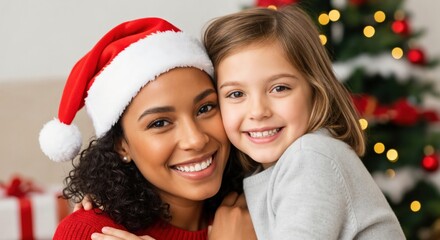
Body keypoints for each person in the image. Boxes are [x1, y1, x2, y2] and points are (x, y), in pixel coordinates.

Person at [38, 17, 255, 240]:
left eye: (205, 108)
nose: (195, 140)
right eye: (160, 123)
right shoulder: (91, 232)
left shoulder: (262, 209)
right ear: (121, 145)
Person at [202, 4, 406, 239]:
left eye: (279, 88)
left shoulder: (310, 155)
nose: (258, 111)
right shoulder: (271, 168)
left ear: (315, 90)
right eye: (236, 94)